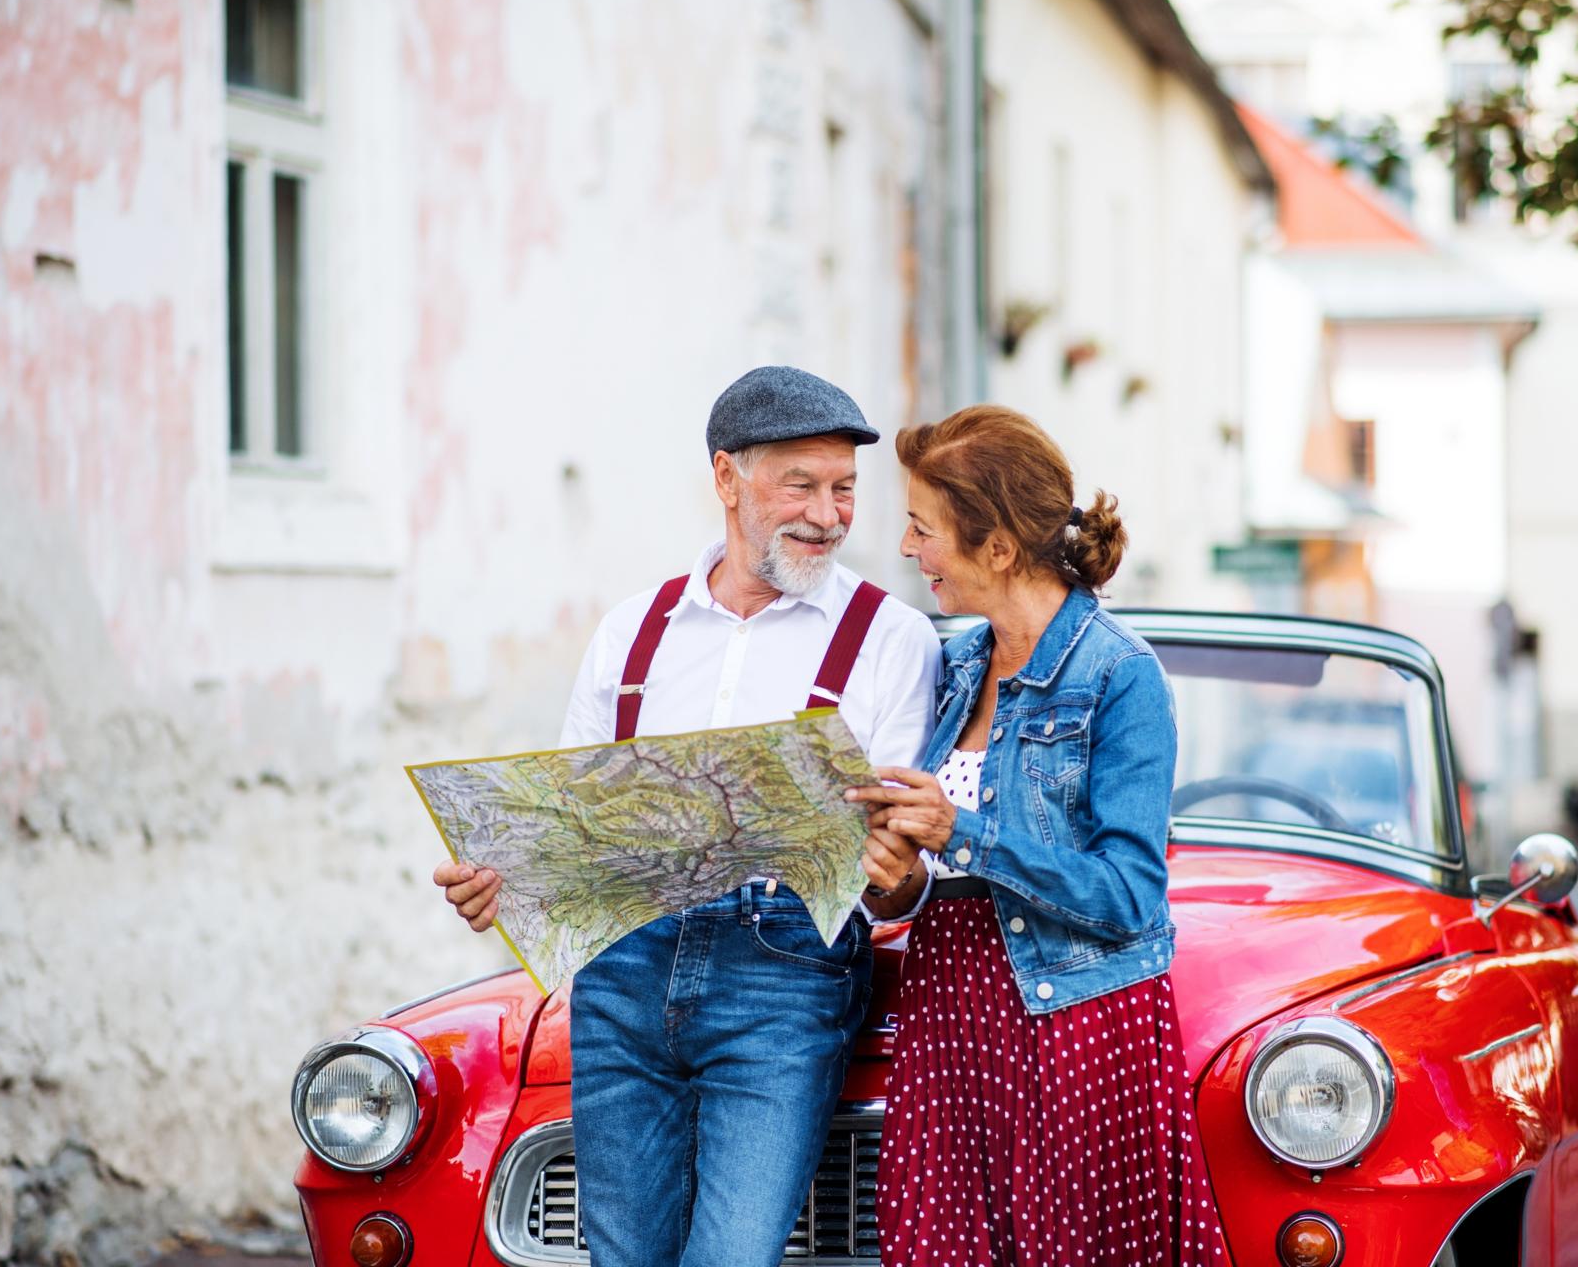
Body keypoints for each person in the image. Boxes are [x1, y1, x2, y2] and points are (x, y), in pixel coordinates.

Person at [433, 366, 941, 1267]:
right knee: (623, 1259)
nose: (828, 515)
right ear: (726, 478)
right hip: (623, 972)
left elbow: (896, 889)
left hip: (783, 974)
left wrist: (900, 872)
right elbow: (567, 831)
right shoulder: (633, 632)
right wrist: (498, 882)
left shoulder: (892, 639)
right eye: (802, 485)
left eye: (845, 491)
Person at [850, 405, 1228, 1265]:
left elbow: (1131, 894)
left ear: (997, 548)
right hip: (952, 1021)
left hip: (1073, 1031)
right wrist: (890, 867)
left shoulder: (1119, 675)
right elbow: (919, 878)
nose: (910, 550)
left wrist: (963, 833)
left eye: (923, 529)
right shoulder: (953, 667)